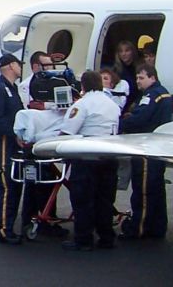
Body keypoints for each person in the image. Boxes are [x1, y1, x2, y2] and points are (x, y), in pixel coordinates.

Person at [59, 71, 121, 251]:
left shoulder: (82, 105)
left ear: (83, 86)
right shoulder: (112, 104)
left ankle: (83, 239)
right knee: (105, 200)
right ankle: (106, 237)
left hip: (87, 158)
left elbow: (68, 131)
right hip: (109, 156)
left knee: (83, 200)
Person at [16, 51, 68, 238]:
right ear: (36, 67)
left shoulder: (55, 83)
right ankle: (32, 219)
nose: (51, 69)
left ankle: (47, 219)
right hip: (35, 140)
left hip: (50, 137)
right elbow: (28, 109)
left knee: (48, 180)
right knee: (35, 181)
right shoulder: (26, 86)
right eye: (47, 66)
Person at [119, 64, 173, 240]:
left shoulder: (152, 95)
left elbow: (140, 117)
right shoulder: (160, 94)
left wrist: (120, 124)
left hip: (146, 147)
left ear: (152, 77)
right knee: (156, 191)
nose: (138, 81)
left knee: (143, 191)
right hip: (157, 147)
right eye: (136, 78)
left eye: (141, 78)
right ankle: (157, 228)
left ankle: (139, 228)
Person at [0, 53, 24, 245]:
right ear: (10, 66)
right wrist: (13, 134)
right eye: (18, 64)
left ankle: (8, 227)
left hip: (14, 145)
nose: (21, 67)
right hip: (5, 145)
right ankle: (1, 230)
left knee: (15, 188)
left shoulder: (13, 89)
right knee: (7, 188)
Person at [113, 40, 140, 111]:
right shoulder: (115, 71)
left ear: (132, 52)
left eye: (127, 51)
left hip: (137, 104)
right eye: (121, 51)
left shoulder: (139, 68)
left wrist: (136, 102)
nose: (123, 54)